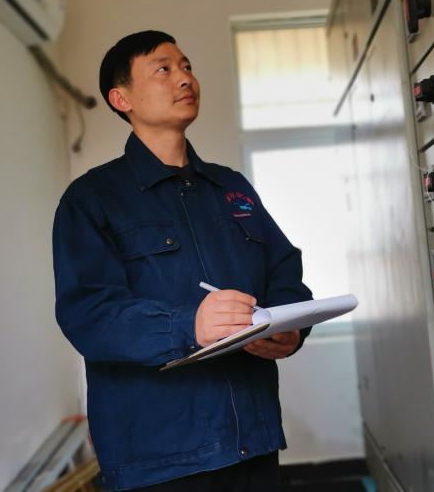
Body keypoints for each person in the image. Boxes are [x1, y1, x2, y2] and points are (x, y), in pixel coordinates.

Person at [52, 30, 313, 491]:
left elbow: (283, 269)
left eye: (187, 66)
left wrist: (288, 329)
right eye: (163, 69)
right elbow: (88, 313)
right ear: (121, 99)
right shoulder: (93, 199)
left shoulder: (230, 188)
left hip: (251, 440)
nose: (184, 78)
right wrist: (187, 326)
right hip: (159, 456)